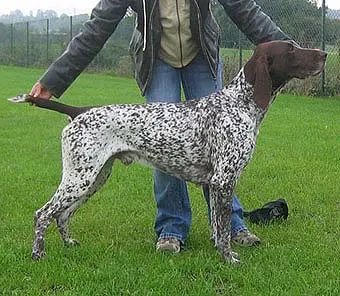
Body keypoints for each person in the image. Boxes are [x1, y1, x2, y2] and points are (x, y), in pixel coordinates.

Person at [30, 0, 292, 253]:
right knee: (163, 142)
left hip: (201, 54)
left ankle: (232, 226)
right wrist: (53, 81)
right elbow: (98, 26)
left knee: (221, 150)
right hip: (157, 58)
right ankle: (172, 228)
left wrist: (292, 52)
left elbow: (245, 8)